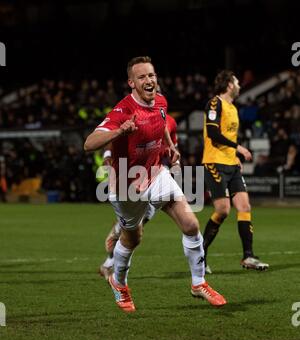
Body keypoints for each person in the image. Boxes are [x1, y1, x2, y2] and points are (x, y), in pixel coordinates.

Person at [84, 56, 226, 312]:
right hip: (126, 181)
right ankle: (118, 281)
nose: (149, 80)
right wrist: (119, 132)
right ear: (131, 83)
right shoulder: (122, 111)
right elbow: (89, 143)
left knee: (191, 223)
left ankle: (198, 282)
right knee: (133, 238)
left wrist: (171, 149)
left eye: (152, 75)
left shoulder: (160, 101)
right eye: (142, 77)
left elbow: (160, 124)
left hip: (155, 172)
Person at [202, 70, 269, 273]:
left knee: (244, 206)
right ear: (230, 84)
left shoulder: (233, 107)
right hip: (214, 163)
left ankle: (248, 256)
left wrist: (235, 156)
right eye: (237, 81)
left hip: (231, 164)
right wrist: (238, 148)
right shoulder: (215, 103)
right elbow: (213, 133)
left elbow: (227, 136)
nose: (240, 84)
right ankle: (200, 254)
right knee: (223, 210)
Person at [99, 113, 179, 280]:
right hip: (134, 173)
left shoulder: (170, 121)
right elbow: (112, 137)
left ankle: (111, 256)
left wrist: (175, 163)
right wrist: (107, 157)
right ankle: (111, 258)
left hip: (157, 172)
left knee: (143, 219)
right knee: (135, 224)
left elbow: (172, 145)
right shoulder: (132, 117)